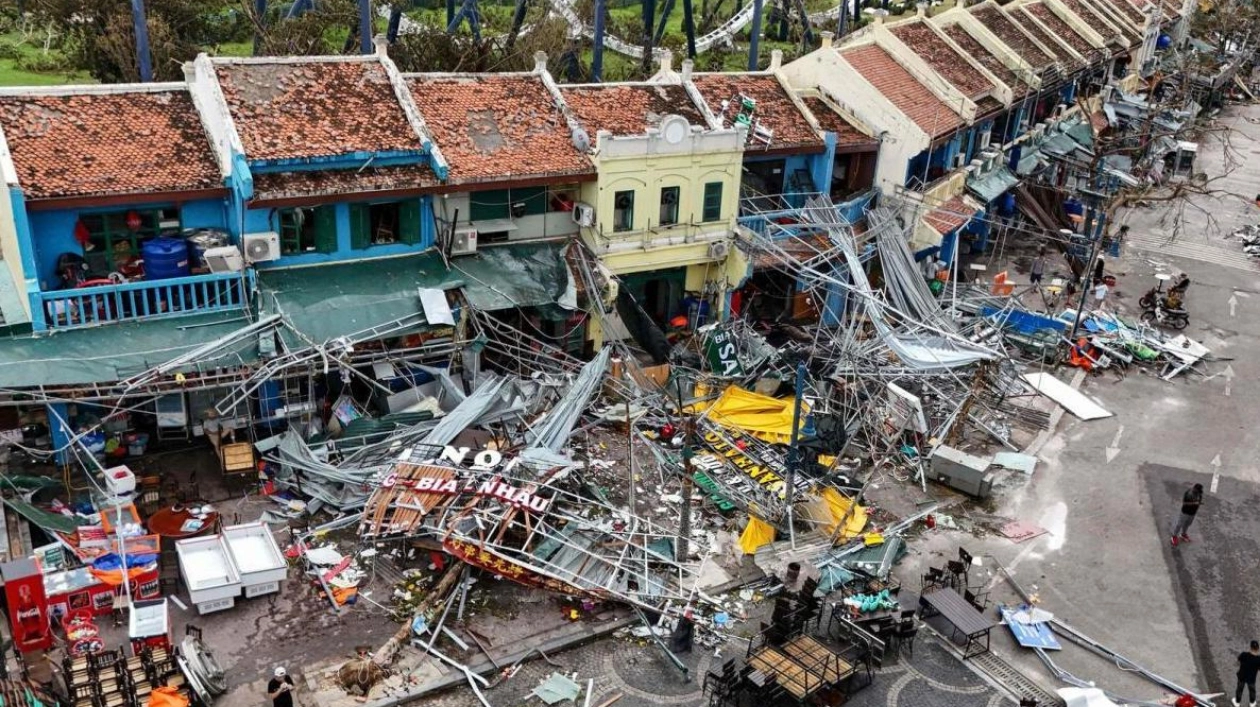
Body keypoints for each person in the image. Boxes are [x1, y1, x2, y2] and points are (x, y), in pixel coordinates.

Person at [1236, 641, 1260, 707]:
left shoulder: (1244, 654)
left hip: (1242, 676)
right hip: (1251, 678)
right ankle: (1252, 703)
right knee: (1252, 690)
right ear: (1258, 649)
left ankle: (1237, 702)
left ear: (1250, 647)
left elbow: (1238, 660)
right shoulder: (1258, 659)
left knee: (1239, 689)